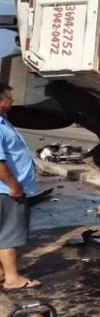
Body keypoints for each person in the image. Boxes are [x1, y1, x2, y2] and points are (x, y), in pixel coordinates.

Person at [0, 85, 41, 290]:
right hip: (6, 191)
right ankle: (12, 278)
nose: (12, 101)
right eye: (9, 98)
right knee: (9, 236)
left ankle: (1, 272)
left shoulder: (3, 122)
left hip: (4, 189)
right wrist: (13, 185)